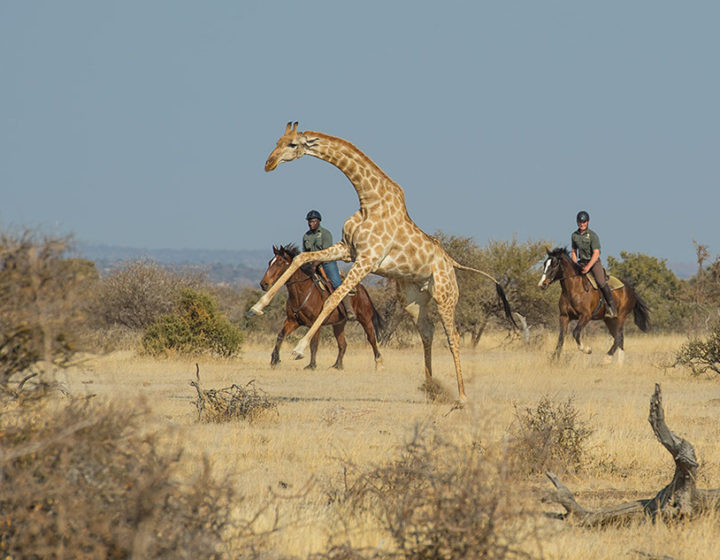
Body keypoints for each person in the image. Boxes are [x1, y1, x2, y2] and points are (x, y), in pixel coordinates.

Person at [302, 210, 356, 320]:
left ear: (318, 221)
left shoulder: (326, 234)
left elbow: (327, 253)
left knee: (336, 283)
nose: (310, 223)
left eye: (312, 221)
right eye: (309, 221)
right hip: (312, 264)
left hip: (327, 263)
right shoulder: (306, 236)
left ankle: (349, 309)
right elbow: (305, 252)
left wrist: (316, 264)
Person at [571, 210, 617, 318]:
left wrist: (588, 267)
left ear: (588, 222)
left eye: (584, 222)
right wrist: (573, 265)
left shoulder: (592, 235)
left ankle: (611, 307)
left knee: (601, 282)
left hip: (593, 262)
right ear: (577, 222)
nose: (582, 224)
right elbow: (574, 252)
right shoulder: (574, 235)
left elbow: (596, 253)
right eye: (580, 222)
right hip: (581, 262)